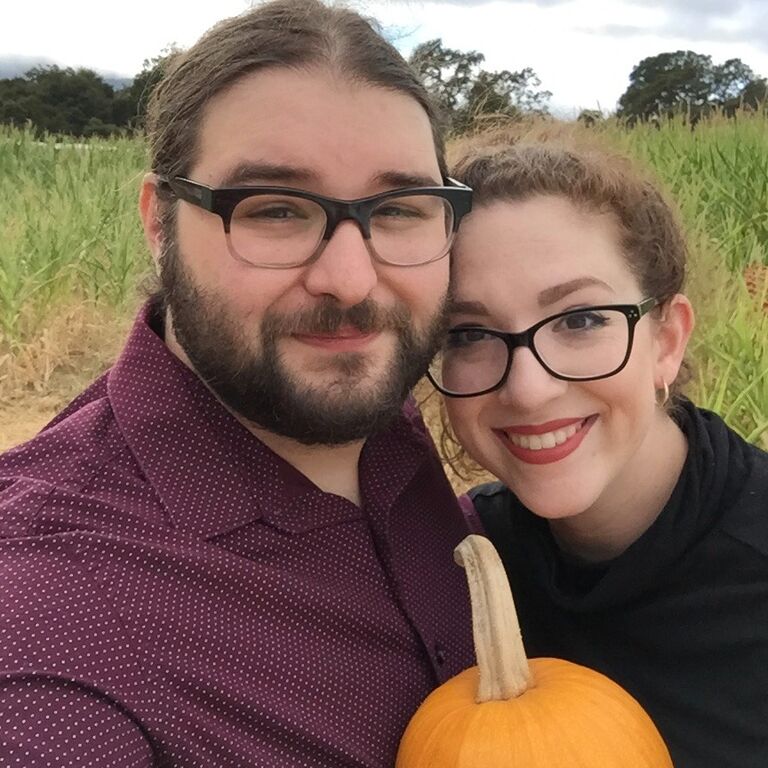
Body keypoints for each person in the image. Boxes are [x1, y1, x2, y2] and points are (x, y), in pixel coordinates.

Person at [0, 2, 477, 765]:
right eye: (277, 209)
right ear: (159, 224)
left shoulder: (388, 432)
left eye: (399, 209)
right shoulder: (50, 603)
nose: (351, 280)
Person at [428, 135, 768, 768]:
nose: (527, 390)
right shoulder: (457, 566)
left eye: (580, 320)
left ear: (666, 339)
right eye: (470, 334)